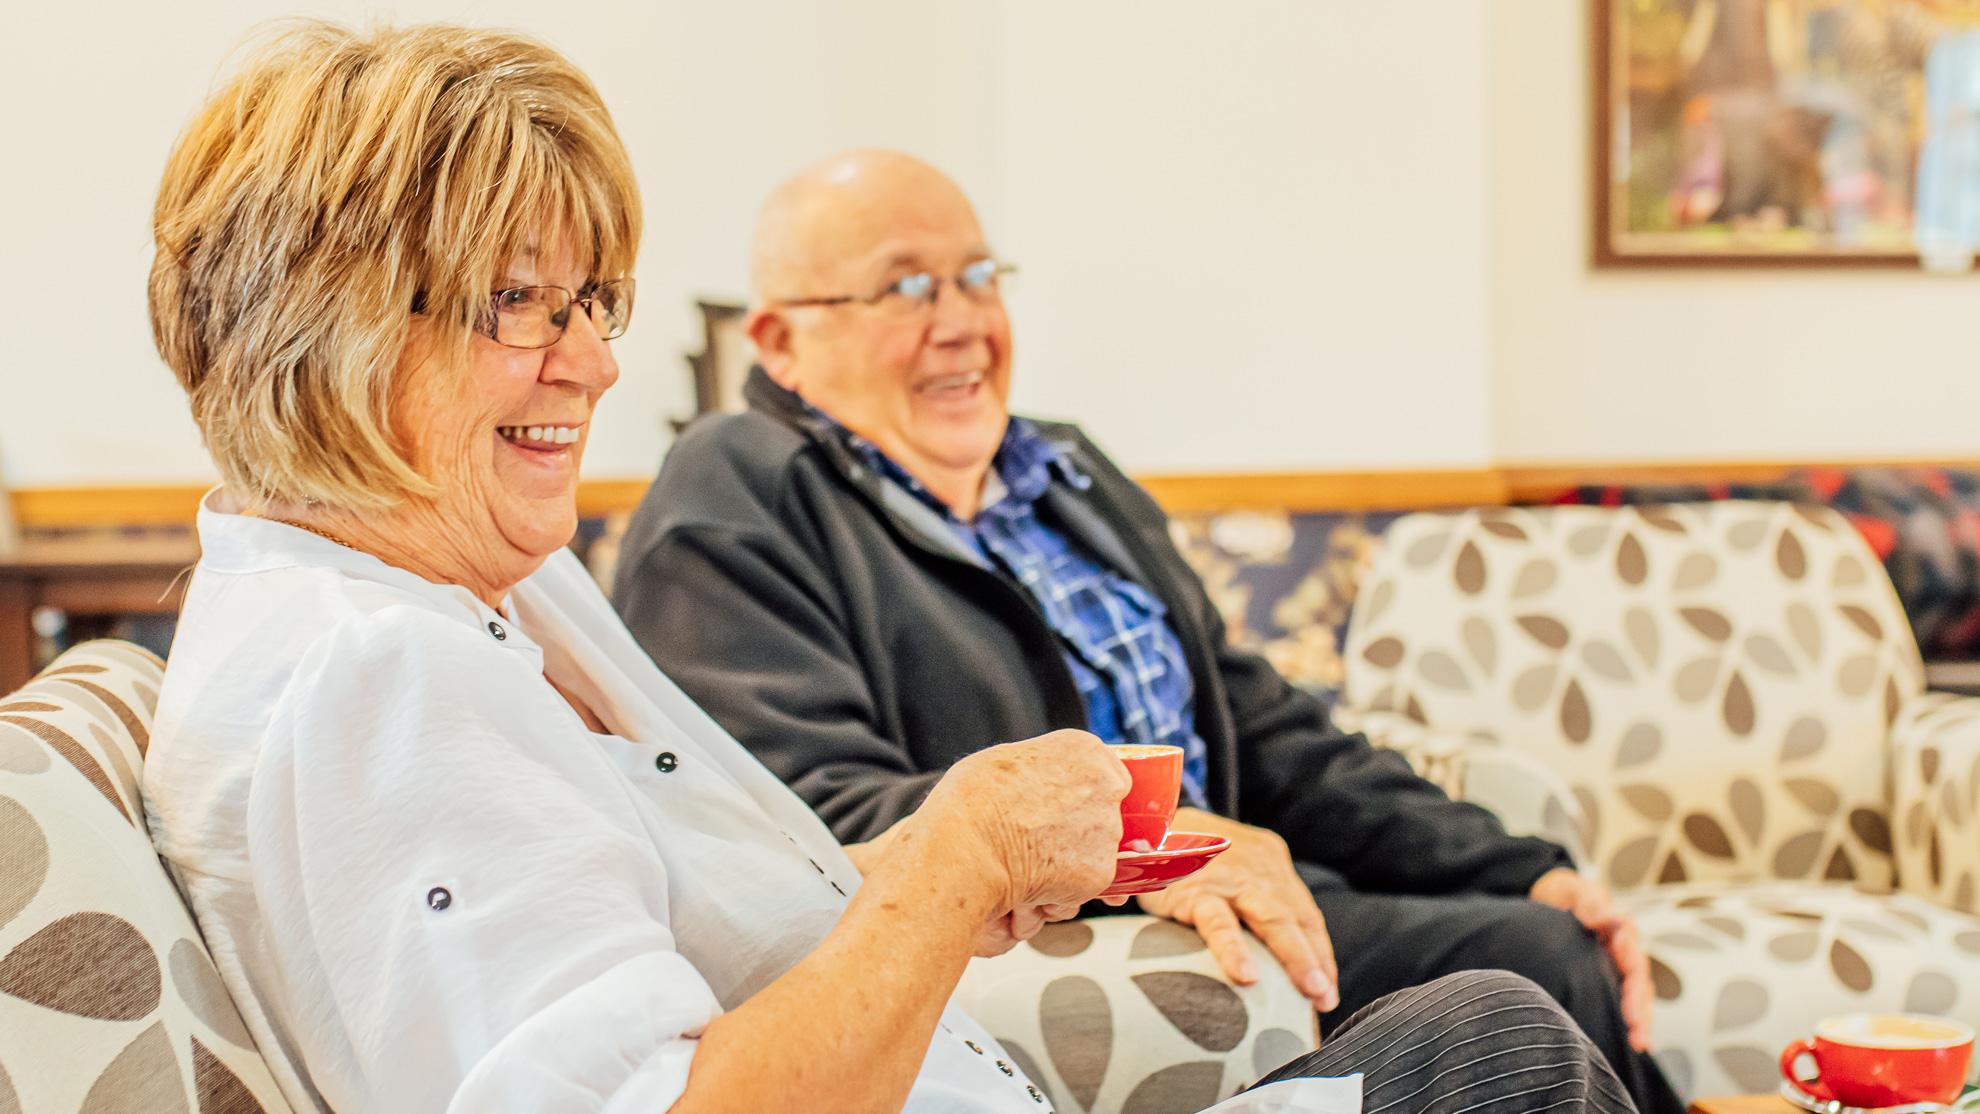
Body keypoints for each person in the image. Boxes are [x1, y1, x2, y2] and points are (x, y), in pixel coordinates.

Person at [139, 22, 1637, 1114]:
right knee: (1500, 1038)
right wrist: (962, 848)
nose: (592, 361)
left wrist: (952, 872)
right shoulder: (380, 672)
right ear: (322, 320)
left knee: (1501, 1006)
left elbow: (676, 908)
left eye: (595, 297)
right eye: (521, 303)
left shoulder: (493, 587)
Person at [609, 149, 1684, 1114]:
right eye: (905, 287)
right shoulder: (733, 492)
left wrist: (1515, 863)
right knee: (1531, 977)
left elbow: (1263, 726)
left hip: (1247, 892)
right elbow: (808, 813)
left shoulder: (1064, 471)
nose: (961, 321)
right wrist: (1146, 844)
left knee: (1552, 931)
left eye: (980, 277)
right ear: (780, 342)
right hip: (1082, 931)